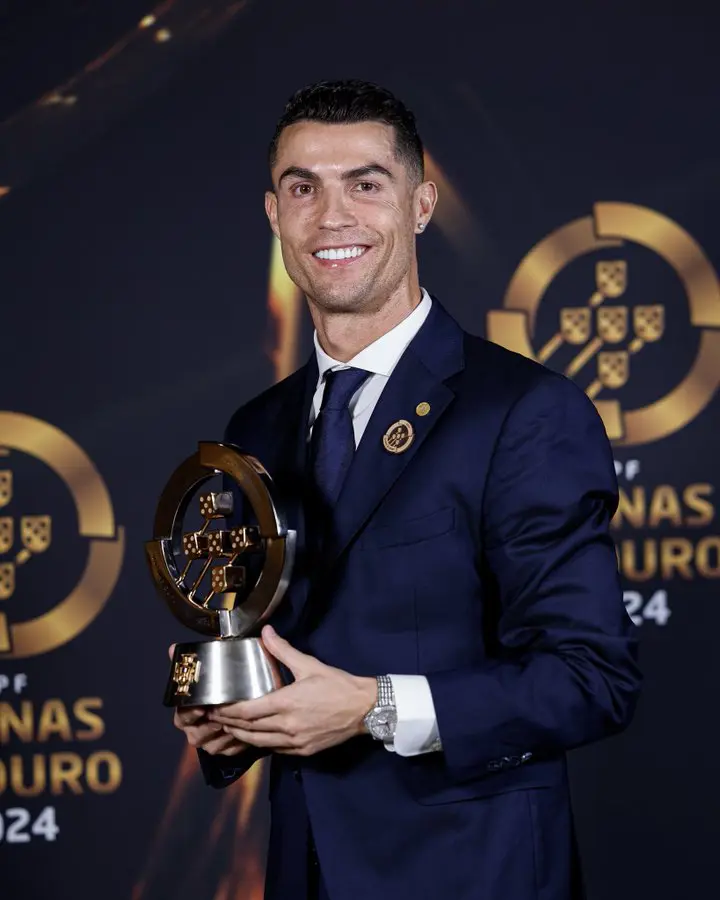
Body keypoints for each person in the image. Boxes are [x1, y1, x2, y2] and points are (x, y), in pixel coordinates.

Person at [173, 79, 641, 900]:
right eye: (303, 189)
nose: (332, 217)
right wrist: (230, 720)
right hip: (304, 869)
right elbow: (276, 645)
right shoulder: (257, 428)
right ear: (274, 215)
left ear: (421, 205)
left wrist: (372, 707)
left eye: (365, 184)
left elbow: (590, 678)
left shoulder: (523, 411)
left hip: (473, 873)